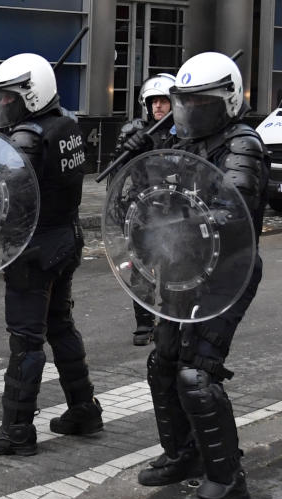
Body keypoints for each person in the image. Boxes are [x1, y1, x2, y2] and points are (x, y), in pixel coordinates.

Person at [127, 52, 268, 499]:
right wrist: (138, 154)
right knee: (164, 361)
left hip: (228, 271)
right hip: (182, 265)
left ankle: (228, 481)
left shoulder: (241, 145)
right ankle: (182, 454)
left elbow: (232, 211)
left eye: (200, 105)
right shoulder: (188, 140)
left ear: (227, 101)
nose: (190, 114)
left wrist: (182, 216)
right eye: (185, 104)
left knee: (198, 373)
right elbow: (148, 192)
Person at [0, 53, 102, 457]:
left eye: (10, 98)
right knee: (60, 325)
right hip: (66, 238)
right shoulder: (67, 127)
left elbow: (6, 192)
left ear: (32, 93)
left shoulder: (27, 137)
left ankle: (17, 429)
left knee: (26, 338)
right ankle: (84, 409)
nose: (3, 106)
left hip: (33, 249)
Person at [112, 72, 177, 346]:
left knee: (176, 270)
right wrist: (129, 148)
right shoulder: (135, 132)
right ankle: (144, 323)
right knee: (141, 269)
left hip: (176, 214)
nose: (158, 107)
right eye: (154, 102)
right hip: (143, 212)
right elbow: (117, 172)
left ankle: (172, 322)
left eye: (164, 101)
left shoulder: (185, 132)